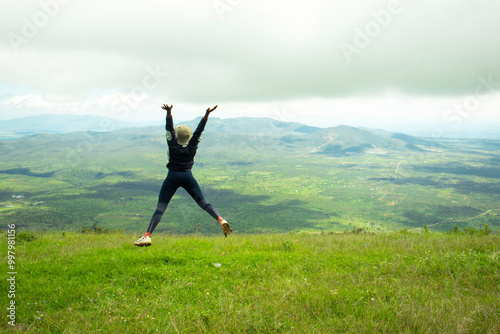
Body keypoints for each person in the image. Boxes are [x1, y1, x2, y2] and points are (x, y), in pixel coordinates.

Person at [134, 104, 232, 247]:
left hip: (172, 177)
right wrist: (206, 115)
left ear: (176, 135)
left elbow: (169, 129)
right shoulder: (193, 146)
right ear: (189, 137)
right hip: (188, 176)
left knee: (161, 206)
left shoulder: (172, 145)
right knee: (203, 202)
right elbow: (199, 131)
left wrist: (169, 112)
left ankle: (147, 236)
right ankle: (220, 219)